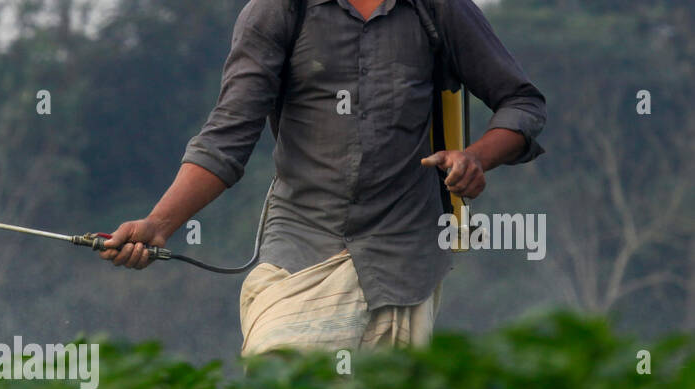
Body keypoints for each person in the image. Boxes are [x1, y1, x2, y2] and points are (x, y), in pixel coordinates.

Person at [101, 0, 546, 354]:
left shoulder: (436, 9)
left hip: (404, 266)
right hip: (300, 257)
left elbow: (521, 103)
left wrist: (475, 158)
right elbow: (226, 139)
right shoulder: (278, 11)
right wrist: (159, 225)